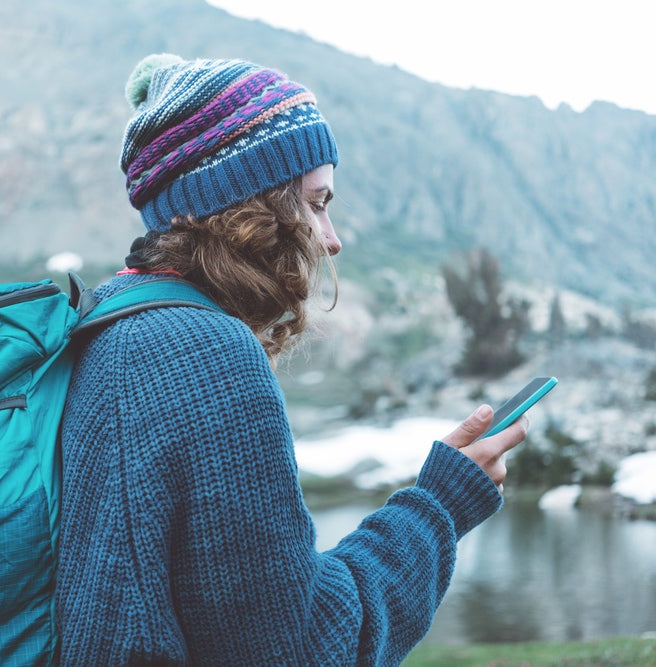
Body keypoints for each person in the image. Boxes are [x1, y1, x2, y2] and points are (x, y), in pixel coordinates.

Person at [56, 54, 527, 667]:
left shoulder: (104, 323)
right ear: (253, 206)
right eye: (317, 202)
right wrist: (439, 504)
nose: (332, 238)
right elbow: (300, 648)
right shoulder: (208, 359)